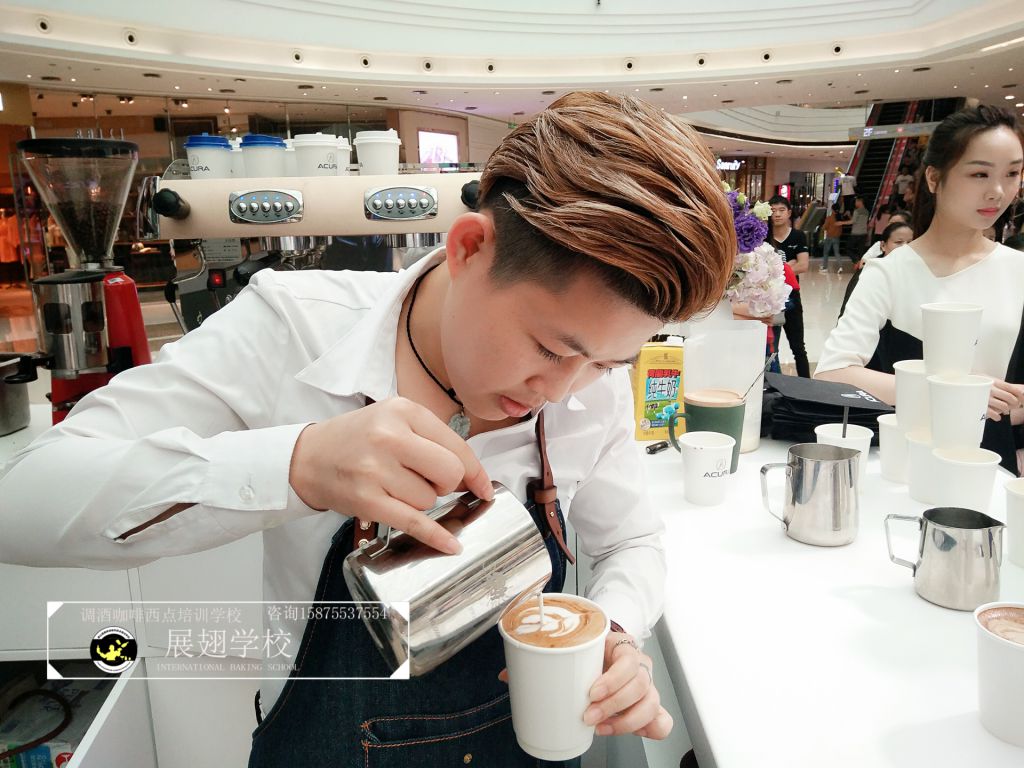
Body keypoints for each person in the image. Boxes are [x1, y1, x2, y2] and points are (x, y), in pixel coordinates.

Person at [0, 92, 738, 766]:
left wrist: (613, 631)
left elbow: (630, 541)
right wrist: (296, 466)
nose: (563, 391)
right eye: (550, 349)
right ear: (469, 248)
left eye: (605, 364)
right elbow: (21, 496)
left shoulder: (587, 390)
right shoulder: (291, 330)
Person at [815, 104, 1024, 474]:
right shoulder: (890, 271)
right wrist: (952, 391)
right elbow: (832, 372)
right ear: (933, 177)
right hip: (910, 457)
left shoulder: (1017, 268)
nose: (997, 191)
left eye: (1012, 173)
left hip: (991, 459)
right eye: (979, 174)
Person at [768, 195, 811, 378]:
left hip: (792, 297)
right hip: (769, 300)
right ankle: (773, 385)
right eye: (773, 210)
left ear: (789, 213)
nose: (777, 214)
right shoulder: (764, 237)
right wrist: (789, 266)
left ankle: (806, 384)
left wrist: (776, 269)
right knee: (772, 348)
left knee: (798, 347)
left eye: (781, 210)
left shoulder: (798, 236)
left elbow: (804, 265)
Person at [838, 220, 914, 318]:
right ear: (883, 245)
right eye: (898, 242)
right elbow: (848, 313)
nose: (905, 247)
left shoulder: (918, 274)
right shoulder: (869, 272)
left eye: (910, 242)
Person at [820, 203, 846, 272]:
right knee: (837, 253)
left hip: (829, 237)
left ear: (832, 209)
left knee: (826, 252)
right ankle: (840, 267)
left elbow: (824, 227)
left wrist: (823, 229)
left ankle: (825, 267)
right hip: (837, 238)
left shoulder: (829, 218)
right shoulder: (840, 218)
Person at [846, 196, 870, 263]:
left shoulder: (857, 211)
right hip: (863, 233)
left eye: (856, 201)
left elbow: (852, 221)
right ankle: (861, 265)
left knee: (848, 249)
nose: (855, 203)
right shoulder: (866, 211)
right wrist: (849, 216)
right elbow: (857, 220)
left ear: (860, 202)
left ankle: (856, 260)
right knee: (861, 252)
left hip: (855, 233)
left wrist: (841, 222)